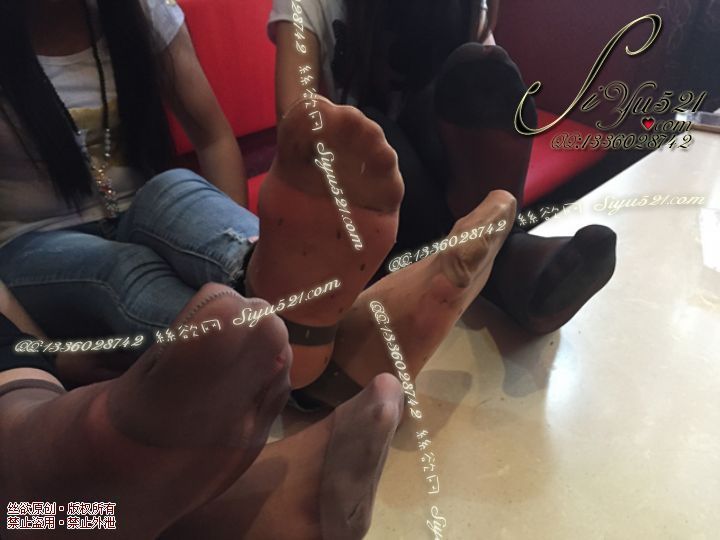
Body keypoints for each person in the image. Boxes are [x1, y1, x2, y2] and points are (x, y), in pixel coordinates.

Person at [1, 0, 517, 534]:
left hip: (56, 494)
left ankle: (282, 321)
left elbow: (211, 135)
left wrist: (249, 246)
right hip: (34, 244)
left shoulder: (137, 14)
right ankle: (314, 358)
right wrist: (45, 352)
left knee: (176, 188)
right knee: (122, 273)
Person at [269, 0, 618, 335]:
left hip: (441, 183)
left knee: (478, 74)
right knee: (374, 130)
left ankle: (487, 250)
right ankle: (507, 262)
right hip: (355, 191)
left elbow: (488, 97)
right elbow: (296, 125)